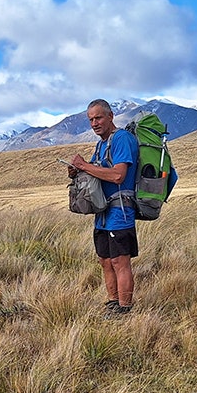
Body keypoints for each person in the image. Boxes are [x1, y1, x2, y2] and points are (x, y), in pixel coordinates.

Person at [68, 99, 139, 317]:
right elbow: (92, 171)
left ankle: (125, 308)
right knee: (105, 260)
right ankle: (112, 303)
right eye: (91, 119)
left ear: (111, 116)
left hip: (120, 211)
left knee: (119, 260)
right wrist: (76, 171)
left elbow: (118, 175)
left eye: (98, 117)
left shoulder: (122, 139)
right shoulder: (101, 145)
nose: (94, 123)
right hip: (103, 213)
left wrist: (84, 166)